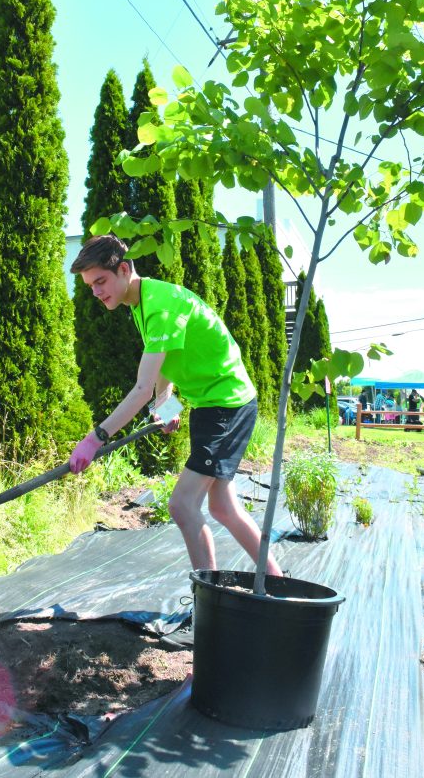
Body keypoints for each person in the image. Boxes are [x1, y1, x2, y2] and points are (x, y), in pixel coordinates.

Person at [68, 234, 283, 577]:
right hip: (209, 405)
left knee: (182, 505)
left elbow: (140, 389)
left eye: (100, 281)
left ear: (123, 270)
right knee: (224, 507)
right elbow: (166, 365)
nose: (95, 292)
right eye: (90, 286)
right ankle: (273, 578)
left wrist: (96, 438)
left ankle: (207, 595)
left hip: (226, 406)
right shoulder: (142, 302)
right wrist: (165, 405)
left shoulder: (160, 306)